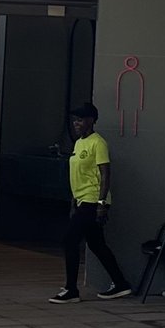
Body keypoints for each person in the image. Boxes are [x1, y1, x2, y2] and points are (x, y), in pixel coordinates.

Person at [54, 103, 130, 302]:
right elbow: (78, 175)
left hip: (93, 199)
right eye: (75, 120)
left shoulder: (98, 143)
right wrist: (74, 201)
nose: (76, 123)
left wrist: (101, 203)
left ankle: (71, 289)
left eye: (80, 120)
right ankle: (121, 283)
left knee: (70, 240)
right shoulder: (79, 143)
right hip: (81, 199)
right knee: (96, 244)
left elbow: (105, 174)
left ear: (91, 121)